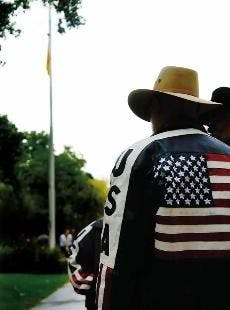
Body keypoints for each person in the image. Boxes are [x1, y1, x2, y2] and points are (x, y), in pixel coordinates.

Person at [96, 66, 230, 310]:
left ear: (155, 105)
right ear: (197, 109)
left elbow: (115, 256)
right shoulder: (227, 157)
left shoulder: (139, 156)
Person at [68, 219, 103, 310]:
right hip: (96, 303)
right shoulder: (94, 229)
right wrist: (97, 283)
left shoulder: (139, 228)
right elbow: (73, 263)